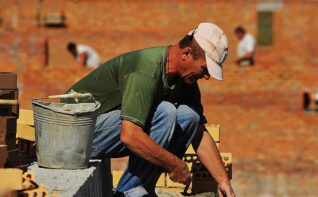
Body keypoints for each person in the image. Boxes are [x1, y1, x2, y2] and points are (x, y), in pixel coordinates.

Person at [62, 23, 235, 197]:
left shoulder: (186, 80)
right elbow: (129, 135)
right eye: (205, 69)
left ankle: (144, 187)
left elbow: (198, 132)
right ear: (187, 54)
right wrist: (175, 165)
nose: (206, 76)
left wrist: (223, 182)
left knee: (189, 117)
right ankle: (129, 191)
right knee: (165, 112)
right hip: (71, 135)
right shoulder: (145, 69)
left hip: (101, 132)